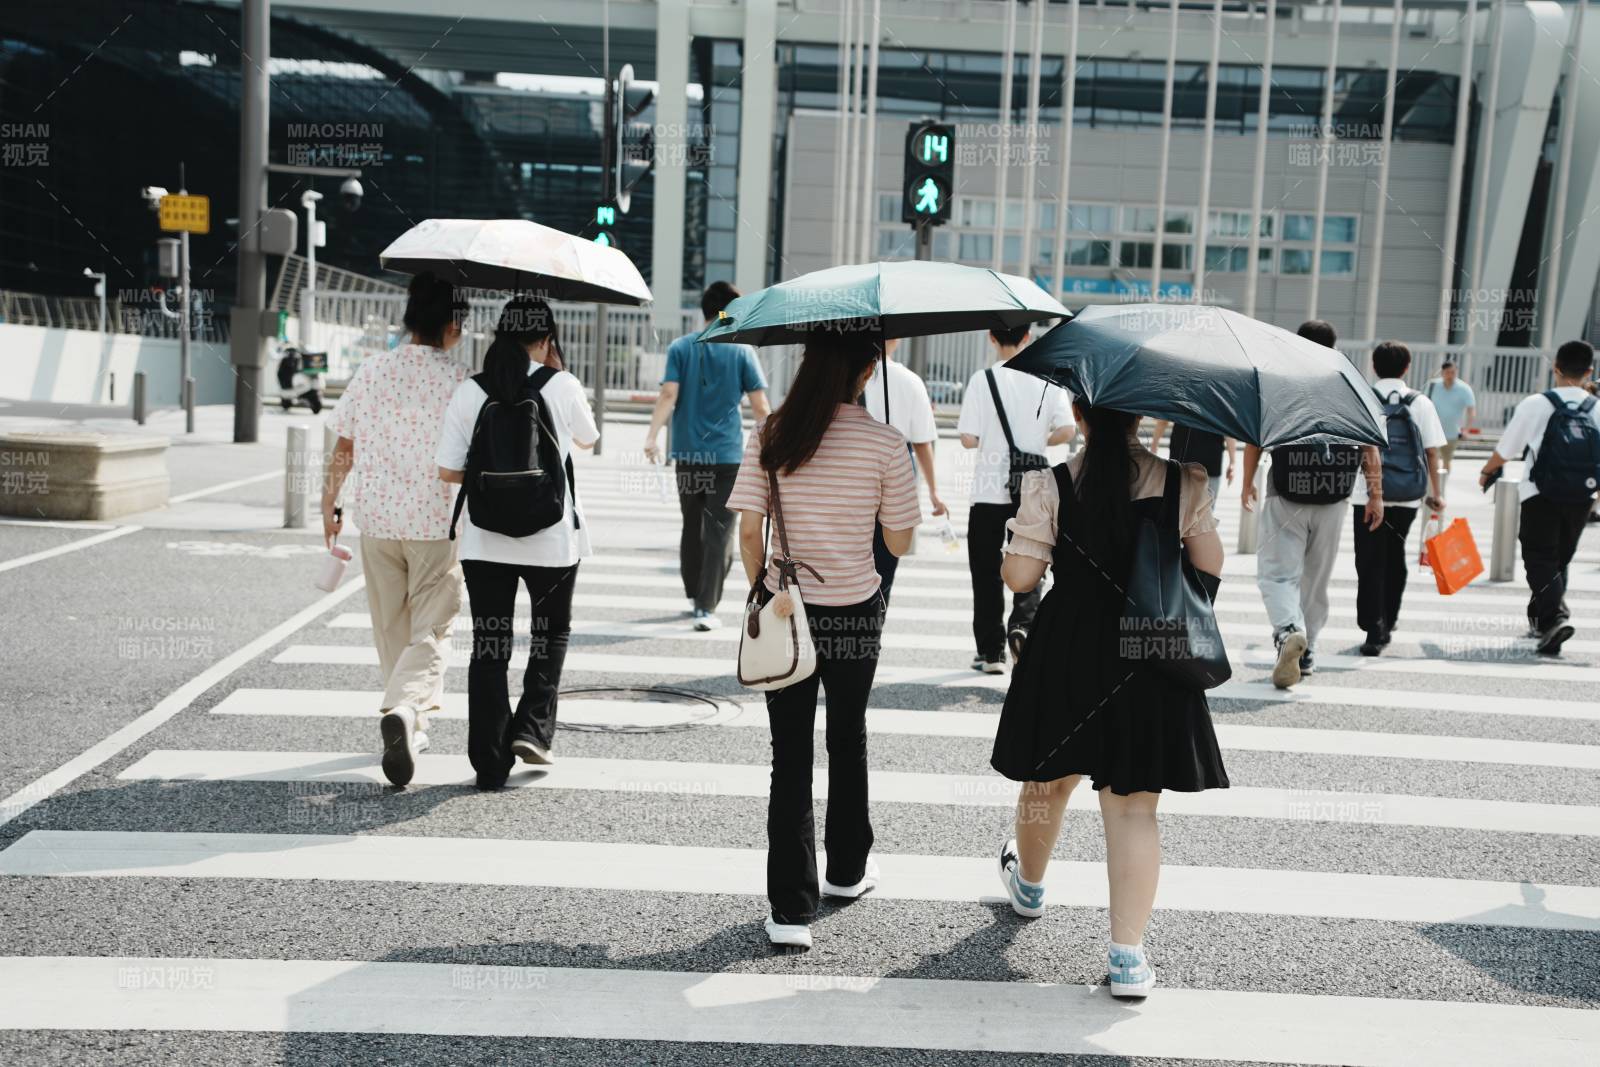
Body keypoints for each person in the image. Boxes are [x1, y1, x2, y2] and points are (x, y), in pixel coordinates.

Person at [990, 401, 1228, 999]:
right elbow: (1210, 565)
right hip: (1151, 650)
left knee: (1048, 781)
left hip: (1068, 647)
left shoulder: (1052, 483)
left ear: (1079, 412)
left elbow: (1020, 578)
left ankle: (1029, 887)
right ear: (1140, 416)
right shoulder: (1183, 481)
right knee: (1132, 809)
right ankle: (1127, 959)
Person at [727, 331, 922, 950]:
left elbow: (749, 533)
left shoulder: (772, 433)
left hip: (788, 610)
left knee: (789, 755)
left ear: (810, 363)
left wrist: (762, 589)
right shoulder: (886, 442)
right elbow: (899, 542)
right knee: (848, 735)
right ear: (867, 372)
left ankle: (790, 910)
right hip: (856, 612)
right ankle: (846, 870)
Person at [436, 295, 598, 788]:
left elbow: (448, 471)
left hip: (484, 541)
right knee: (550, 635)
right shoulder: (561, 384)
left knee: (489, 646)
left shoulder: (471, 389)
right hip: (551, 538)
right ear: (547, 338)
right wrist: (557, 370)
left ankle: (489, 764)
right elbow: (588, 438)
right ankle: (531, 729)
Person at [321, 272, 470, 787]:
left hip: (378, 520)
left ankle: (410, 721)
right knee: (434, 625)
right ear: (453, 325)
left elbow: (344, 446)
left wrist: (328, 501)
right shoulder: (462, 380)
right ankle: (406, 709)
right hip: (435, 522)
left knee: (391, 626)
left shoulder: (372, 370)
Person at [1240, 319, 1383, 687]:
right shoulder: (1351, 382)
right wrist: (1376, 494)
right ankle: (1309, 650)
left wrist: (1247, 482)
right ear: (1334, 345)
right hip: (1334, 495)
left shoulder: (1279, 379)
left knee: (1277, 573)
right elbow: (1369, 442)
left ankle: (1289, 631)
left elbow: (1256, 435)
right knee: (1316, 578)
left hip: (1286, 491)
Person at [645, 282, 771, 631]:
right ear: (731, 312)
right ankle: (706, 605)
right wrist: (774, 447)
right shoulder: (742, 352)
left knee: (691, 525)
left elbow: (668, 394)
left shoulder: (680, 347)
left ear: (704, 311)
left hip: (688, 455)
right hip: (728, 459)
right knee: (719, 531)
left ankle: (694, 594)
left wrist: (652, 436)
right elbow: (760, 406)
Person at [957, 323, 1075, 672]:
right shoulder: (1046, 380)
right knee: (1033, 558)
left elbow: (967, 438)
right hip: (1032, 488)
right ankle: (1022, 626)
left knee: (985, 569)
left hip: (988, 491)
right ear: (1027, 337)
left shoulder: (982, 380)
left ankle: (990, 652)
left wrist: (994, 443)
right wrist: (1036, 443)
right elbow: (1068, 430)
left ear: (991, 337)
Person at [1478, 340, 1600, 655]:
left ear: (1555, 368)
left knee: (1540, 557)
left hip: (1539, 493)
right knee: (1559, 559)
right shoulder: (1596, 407)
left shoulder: (1536, 404)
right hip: (1582, 495)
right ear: (1589, 371)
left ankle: (1554, 618)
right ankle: (1543, 623)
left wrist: (1487, 471)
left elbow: (1507, 449)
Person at [1350, 341, 1446, 657]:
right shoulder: (1421, 403)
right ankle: (1388, 621)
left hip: (1366, 494)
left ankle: (1373, 628)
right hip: (1406, 495)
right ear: (1407, 368)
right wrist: (1436, 493)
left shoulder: (1360, 396)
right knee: (1395, 556)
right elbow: (1432, 452)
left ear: (1374, 366)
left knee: (1369, 560)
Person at [859, 337, 947, 601]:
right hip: (898, 471)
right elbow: (922, 442)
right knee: (887, 554)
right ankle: (877, 613)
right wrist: (933, 492)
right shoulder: (911, 381)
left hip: (856, 468)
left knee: (854, 548)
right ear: (896, 339)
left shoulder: (850, 377)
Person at [1149, 420, 1235, 503]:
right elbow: (1228, 426)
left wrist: (1154, 446)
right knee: (1207, 509)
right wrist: (1232, 462)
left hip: (1182, 457)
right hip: (1210, 459)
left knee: (1177, 507)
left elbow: (1163, 421)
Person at [1424, 361, 1476, 474]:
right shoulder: (1432, 386)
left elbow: (1471, 410)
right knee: (1431, 460)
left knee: (1446, 461)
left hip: (1452, 432)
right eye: (1447, 372)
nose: (1450, 375)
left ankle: (1442, 483)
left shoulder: (1464, 389)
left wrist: (1466, 430)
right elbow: (1423, 405)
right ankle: (1432, 484)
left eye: (1453, 372)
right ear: (1442, 373)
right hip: (1433, 431)